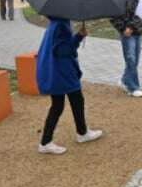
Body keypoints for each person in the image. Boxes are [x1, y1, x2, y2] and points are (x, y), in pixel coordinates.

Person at [35, 17, 103, 154]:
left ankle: (81, 132)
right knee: (62, 105)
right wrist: (78, 37)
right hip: (61, 72)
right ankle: (46, 142)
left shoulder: (56, 22)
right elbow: (63, 51)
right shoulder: (60, 25)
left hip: (58, 71)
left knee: (73, 101)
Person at [110, 0, 142, 97]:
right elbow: (113, 16)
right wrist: (123, 28)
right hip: (127, 33)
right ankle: (133, 87)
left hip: (137, 32)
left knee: (135, 59)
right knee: (130, 58)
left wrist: (131, 27)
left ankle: (125, 79)